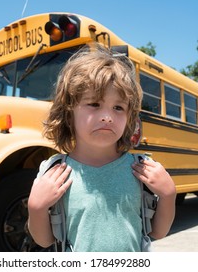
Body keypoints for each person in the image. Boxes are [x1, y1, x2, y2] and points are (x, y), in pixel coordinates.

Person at [28, 44, 176, 252]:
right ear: (68, 113)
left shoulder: (142, 169)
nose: (107, 116)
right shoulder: (54, 172)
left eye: (118, 107)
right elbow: (44, 240)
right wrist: (36, 207)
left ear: (129, 118)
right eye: (94, 104)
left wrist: (169, 194)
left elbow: (158, 232)